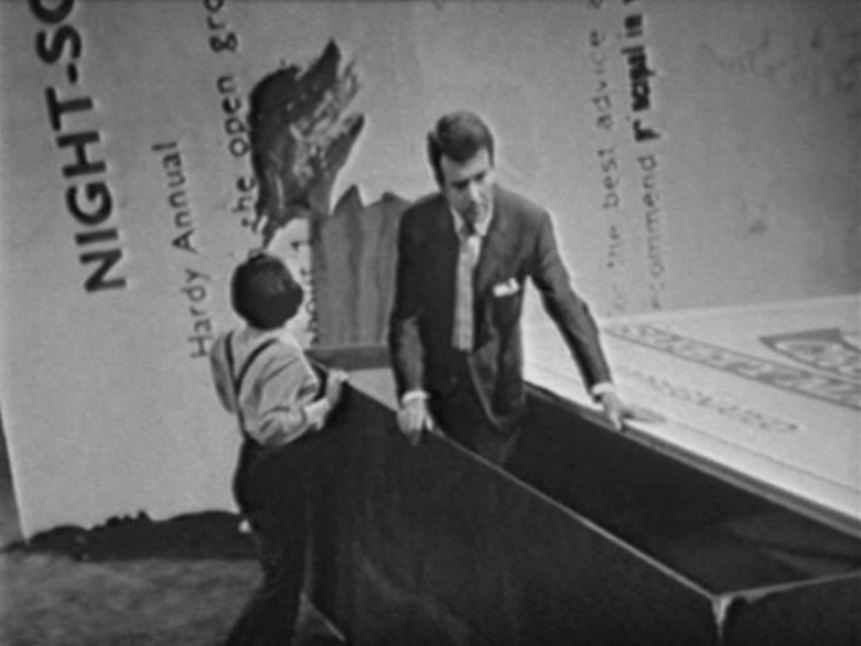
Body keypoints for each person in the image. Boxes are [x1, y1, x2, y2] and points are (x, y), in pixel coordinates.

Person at [388, 110, 660, 465]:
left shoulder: (529, 223)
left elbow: (565, 304)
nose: (474, 195)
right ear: (441, 184)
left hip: (499, 405)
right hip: (437, 404)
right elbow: (406, 316)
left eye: (481, 178)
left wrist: (603, 387)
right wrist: (412, 393)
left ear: (494, 167)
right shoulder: (418, 225)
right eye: (459, 185)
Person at [209, 250, 349, 646]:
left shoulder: (226, 341)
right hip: (278, 472)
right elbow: (272, 427)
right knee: (284, 580)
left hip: (249, 466)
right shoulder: (285, 356)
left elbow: (230, 399)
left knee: (279, 571)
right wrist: (325, 404)